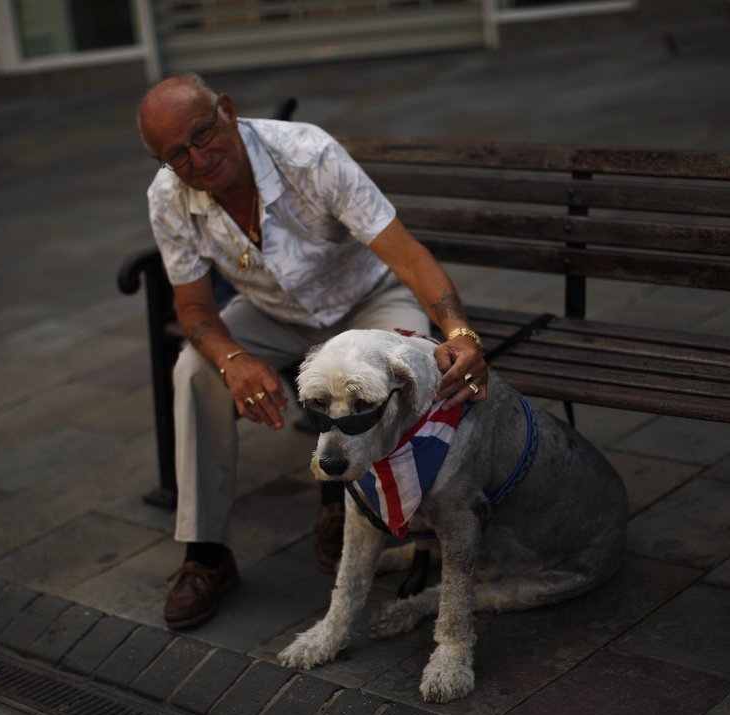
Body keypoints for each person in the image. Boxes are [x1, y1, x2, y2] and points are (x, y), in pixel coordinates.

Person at [137, 74, 488, 629]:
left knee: (408, 372)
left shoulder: (307, 152)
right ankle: (205, 554)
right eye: (175, 155)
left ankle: (352, 503)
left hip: (366, 302)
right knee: (194, 370)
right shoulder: (168, 197)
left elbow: (407, 256)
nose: (197, 159)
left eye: (202, 135)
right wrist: (232, 360)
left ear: (226, 110)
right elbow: (196, 311)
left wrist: (459, 332)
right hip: (274, 312)